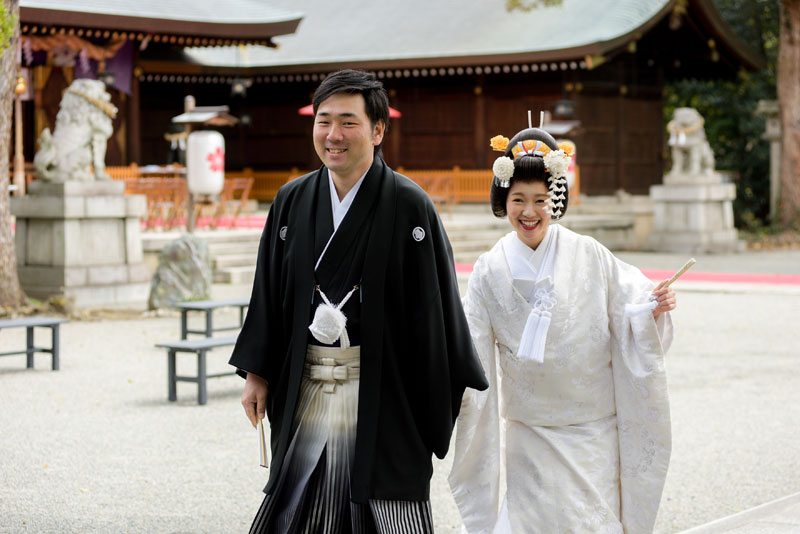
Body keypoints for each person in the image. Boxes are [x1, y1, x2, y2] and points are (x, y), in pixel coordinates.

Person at [230, 69, 488, 534]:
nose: (333, 135)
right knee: (297, 505)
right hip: (304, 381)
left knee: (384, 507)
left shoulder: (410, 205)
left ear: (378, 129)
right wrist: (256, 372)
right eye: (323, 121)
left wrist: (433, 399)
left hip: (383, 393)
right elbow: (268, 293)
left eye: (348, 122)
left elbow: (434, 311)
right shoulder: (291, 201)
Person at [448, 124, 676, 534]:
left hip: (591, 432)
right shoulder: (488, 270)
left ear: (555, 200)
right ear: (504, 201)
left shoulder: (588, 253)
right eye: (518, 200)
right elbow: (470, 348)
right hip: (529, 434)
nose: (529, 212)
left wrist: (651, 310)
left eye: (539, 200)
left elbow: (630, 305)